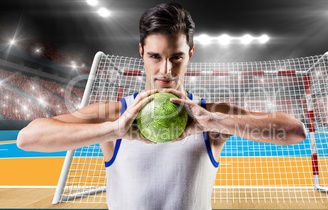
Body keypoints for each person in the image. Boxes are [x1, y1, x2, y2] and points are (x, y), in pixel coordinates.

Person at [17, 2, 307, 210]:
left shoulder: (209, 114)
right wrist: (114, 130)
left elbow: (295, 132)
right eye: (155, 56)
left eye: (177, 57)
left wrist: (216, 123)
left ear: (190, 53)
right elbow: (27, 138)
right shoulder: (115, 114)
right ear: (141, 52)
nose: (166, 69)